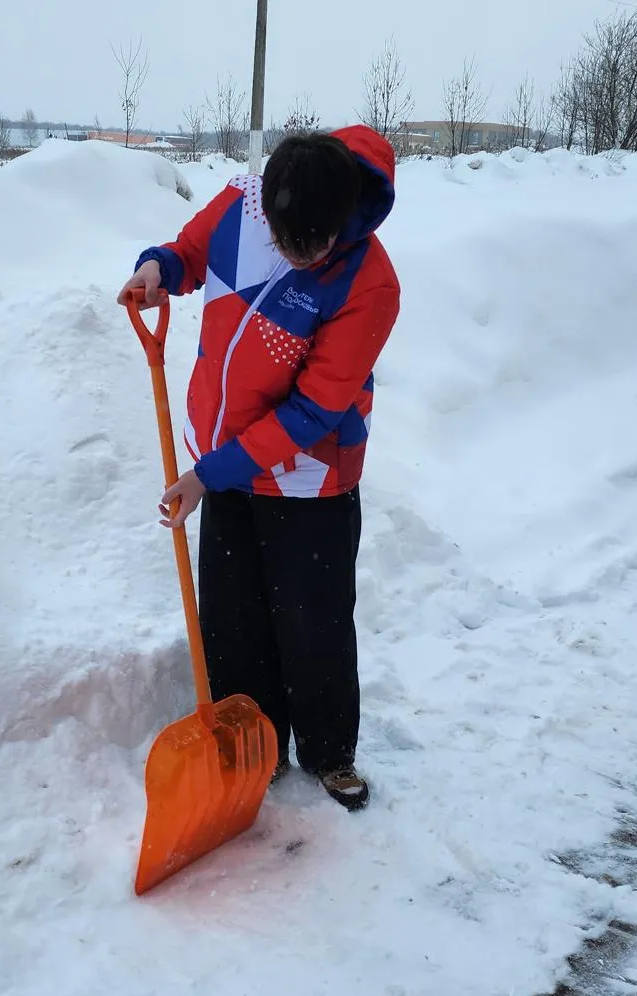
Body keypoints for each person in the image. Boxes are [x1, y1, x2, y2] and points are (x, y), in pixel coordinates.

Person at [117, 125, 400, 811]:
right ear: (265, 205)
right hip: (224, 460)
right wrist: (158, 269)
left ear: (342, 217)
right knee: (231, 615)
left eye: (314, 243)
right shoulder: (239, 206)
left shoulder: (369, 282)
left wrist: (209, 474)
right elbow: (188, 253)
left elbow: (313, 412)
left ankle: (329, 752)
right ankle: (255, 744)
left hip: (310, 476)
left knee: (312, 618)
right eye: (284, 237)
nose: (297, 254)